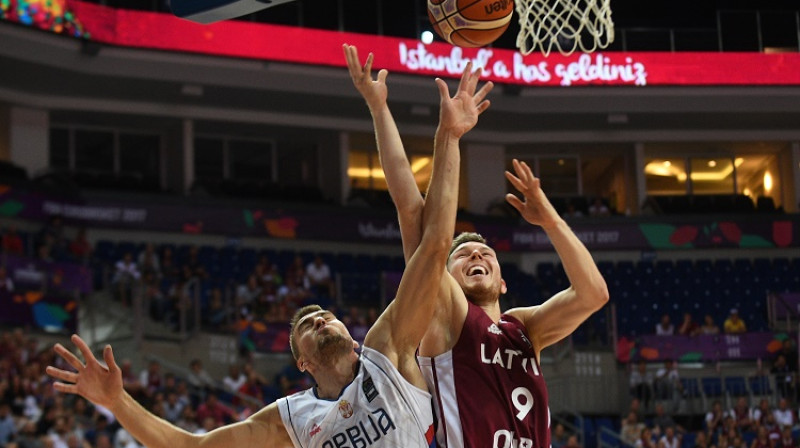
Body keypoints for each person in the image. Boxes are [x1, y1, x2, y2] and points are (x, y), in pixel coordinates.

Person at [46, 55, 490, 448]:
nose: (319, 317)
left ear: (353, 338)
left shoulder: (388, 350)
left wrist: (447, 137)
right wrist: (117, 401)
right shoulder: (292, 420)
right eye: (307, 325)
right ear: (302, 361)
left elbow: (432, 247)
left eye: (325, 315)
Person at [345, 43, 608, 448]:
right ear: (442, 275)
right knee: (423, 227)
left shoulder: (524, 329)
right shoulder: (446, 315)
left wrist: (549, 219)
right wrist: (398, 116)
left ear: (503, 283)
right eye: (462, 255)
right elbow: (411, 211)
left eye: (486, 253)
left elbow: (592, 294)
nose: (477, 255)